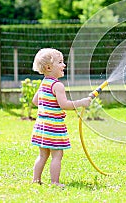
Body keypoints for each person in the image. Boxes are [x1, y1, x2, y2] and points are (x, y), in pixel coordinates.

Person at [30, 48, 91, 187]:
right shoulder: (57, 85)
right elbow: (64, 104)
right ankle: (55, 182)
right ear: (49, 67)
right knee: (57, 155)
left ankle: (35, 180)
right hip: (53, 127)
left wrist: (46, 109)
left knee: (43, 155)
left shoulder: (44, 82)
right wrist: (81, 102)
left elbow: (35, 101)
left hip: (41, 125)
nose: (64, 65)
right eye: (60, 62)